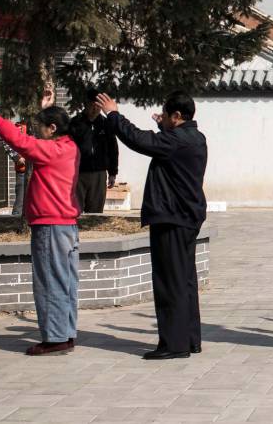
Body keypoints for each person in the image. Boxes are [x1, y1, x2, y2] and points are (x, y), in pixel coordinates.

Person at [96, 90, 207, 360]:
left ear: (177, 116)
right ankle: (189, 339)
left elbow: (138, 139)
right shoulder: (195, 137)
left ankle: (174, 344)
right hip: (186, 217)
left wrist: (114, 114)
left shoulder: (176, 141)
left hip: (171, 217)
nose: (163, 118)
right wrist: (164, 127)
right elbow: (164, 144)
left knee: (169, 282)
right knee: (185, 280)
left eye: (166, 115)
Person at [0, 86, 81, 356]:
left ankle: (55, 338)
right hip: (66, 225)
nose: (37, 132)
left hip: (51, 226)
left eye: (41, 128)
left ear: (53, 128)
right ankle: (65, 333)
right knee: (66, 282)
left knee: (50, 281)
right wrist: (46, 108)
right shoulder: (69, 146)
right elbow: (38, 142)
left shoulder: (52, 151)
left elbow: (23, 143)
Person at [69, 88, 118, 213]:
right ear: (86, 104)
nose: (95, 109)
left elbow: (113, 149)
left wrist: (113, 172)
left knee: (95, 211)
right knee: (75, 210)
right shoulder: (75, 123)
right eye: (92, 105)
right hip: (78, 173)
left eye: (98, 106)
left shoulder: (106, 123)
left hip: (99, 173)